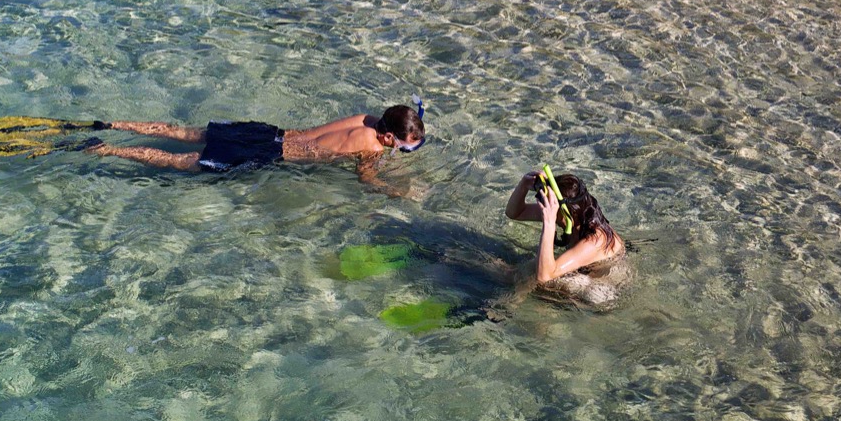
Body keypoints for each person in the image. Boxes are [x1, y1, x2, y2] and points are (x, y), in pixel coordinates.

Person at [80, 102, 426, 196]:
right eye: (406, 148)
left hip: (269, 134)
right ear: (387, 138)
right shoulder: (372, 150)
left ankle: (113, 125)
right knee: (183, 162)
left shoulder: (366, 119)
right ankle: (108, 149)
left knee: (185, 133)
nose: (406, 150)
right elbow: (367, 182)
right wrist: (398, 192)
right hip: (270, 154)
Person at [502, 170, 628, 308]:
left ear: (567, 212)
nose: (544, 204)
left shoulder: (594, 242)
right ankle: (512, 292)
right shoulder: (577, 213)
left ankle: (510, 304)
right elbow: (514, 213)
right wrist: (523, 185)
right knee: (530, 268)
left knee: (532, 272)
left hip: (601, 291)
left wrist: (549, 223)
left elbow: (544, 277)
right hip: (587, 271)